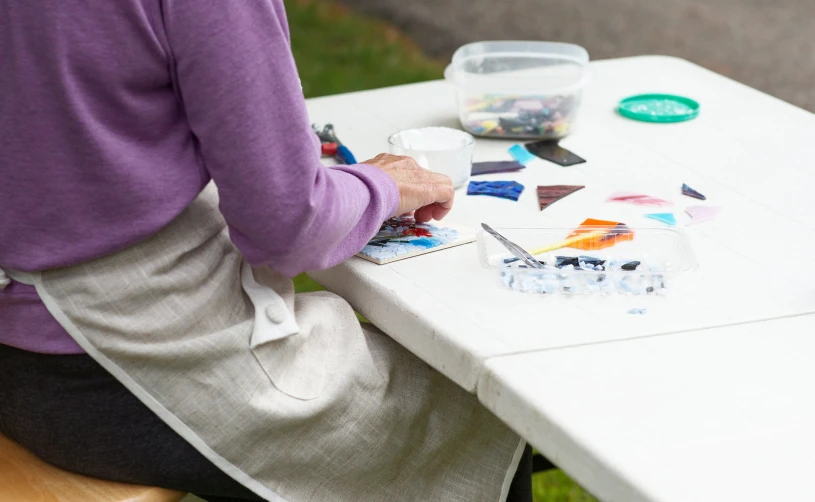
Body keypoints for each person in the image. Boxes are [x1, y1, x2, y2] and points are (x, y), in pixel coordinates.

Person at [0, 1, 531, 501]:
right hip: (117, 366)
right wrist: (381, 186)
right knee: (483, 407)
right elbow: (287, 225)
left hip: (24, 358)